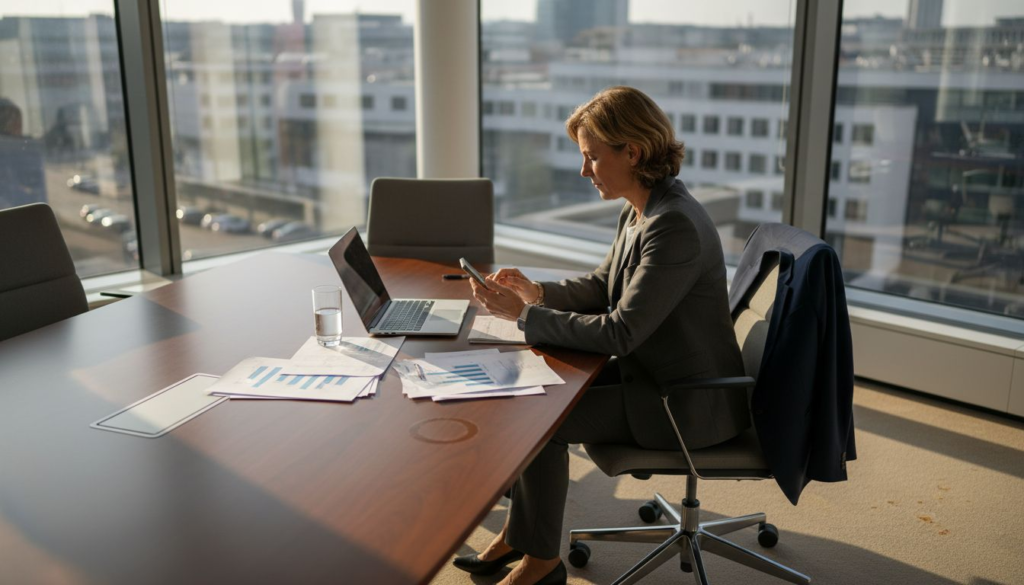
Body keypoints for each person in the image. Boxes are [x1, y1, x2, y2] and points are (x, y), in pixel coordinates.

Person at [452, 86, 749, 585]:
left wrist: (524, 317)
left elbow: (621, 332)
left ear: (632, 152)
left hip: (684, 402)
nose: (583, 170)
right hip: (652, 374)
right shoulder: (641, 208)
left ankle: (541, 564)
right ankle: (521, 535)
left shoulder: (673, 225)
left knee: (541, 422)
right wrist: (536, 292)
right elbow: (600, 285)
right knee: (531, 398)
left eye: (591, 156)